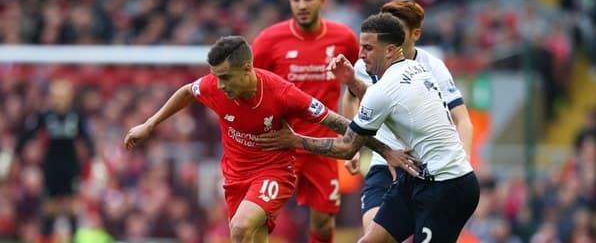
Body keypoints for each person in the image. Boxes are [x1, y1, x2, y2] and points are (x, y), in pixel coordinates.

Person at [123, 36, 415, 243]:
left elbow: (337, 122)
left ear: (247, 68)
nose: (220, 85)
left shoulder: (282, 93)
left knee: (239, 228)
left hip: (273, 170)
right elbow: (188, 91)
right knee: (252, 236)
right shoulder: (213, 85)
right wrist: (149, 125)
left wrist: (385, 150)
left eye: (226, 77)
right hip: (235, 175)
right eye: (216, 77)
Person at [257, 13, 480, 243]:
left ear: (390, 50)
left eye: (368, 48)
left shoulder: (384, 90)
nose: (360, 54)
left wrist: (293, 139)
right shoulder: (414, 69)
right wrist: (353, 82)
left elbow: (346, 147)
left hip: (447, 187)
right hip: (416, 177)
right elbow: (387, 103)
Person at [342, 0, 475, 232]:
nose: (389, 36)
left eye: (398, 31)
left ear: (416, 34)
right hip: (383, 161)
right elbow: (352, 96)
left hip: (425, 169)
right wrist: (352, 147)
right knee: (373, 231)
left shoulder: (432, 66)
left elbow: (462, 119)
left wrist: (462, 163)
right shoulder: (368, 61)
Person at [251, 0, 359, 242]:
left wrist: (353, 139)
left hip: (323, 146)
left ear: (321, 1)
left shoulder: (344, 38)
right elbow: (251, 90)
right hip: (280, 145)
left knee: (323, 224)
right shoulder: (269, 40)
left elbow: (355, 89)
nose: (301, 4)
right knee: (260, 217)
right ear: (289, 1)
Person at [15, 80, 95, 243]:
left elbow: (86, 138)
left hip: (70, 166)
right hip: (51, 166)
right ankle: (46, 238)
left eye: (62, 96)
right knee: (49, 207)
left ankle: (73, 239)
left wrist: (92, 155)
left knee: (72, 206)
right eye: (56, 96)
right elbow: (28, 134)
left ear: (69, 97)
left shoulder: (76, 115)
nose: (59, 99)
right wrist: (18, 151)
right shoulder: (45, 116)